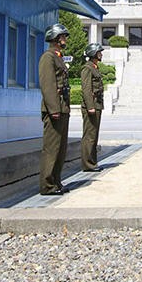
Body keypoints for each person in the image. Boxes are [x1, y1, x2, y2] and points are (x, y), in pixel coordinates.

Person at [37, 25, 72, 195]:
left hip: (62, 107)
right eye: (63, 36)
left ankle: (56, 182)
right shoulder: (48, 57)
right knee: (51, 148)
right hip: (55, 108)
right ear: (56, 38)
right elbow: (48, 85)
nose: (65, 39)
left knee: (60, 148)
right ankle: (47, 185)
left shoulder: (58, 57)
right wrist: (54, 109)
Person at [78, 42, 105, 172]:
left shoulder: (95, 67)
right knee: (89, 135)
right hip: (92, 105)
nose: (101, 54)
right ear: (93, 54)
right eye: (99, 52)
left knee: (94, 135)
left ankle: (93, 162)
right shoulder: (87, 68)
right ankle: (88, 164)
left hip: (97, 104)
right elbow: (86, 89)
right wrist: (90, 106)